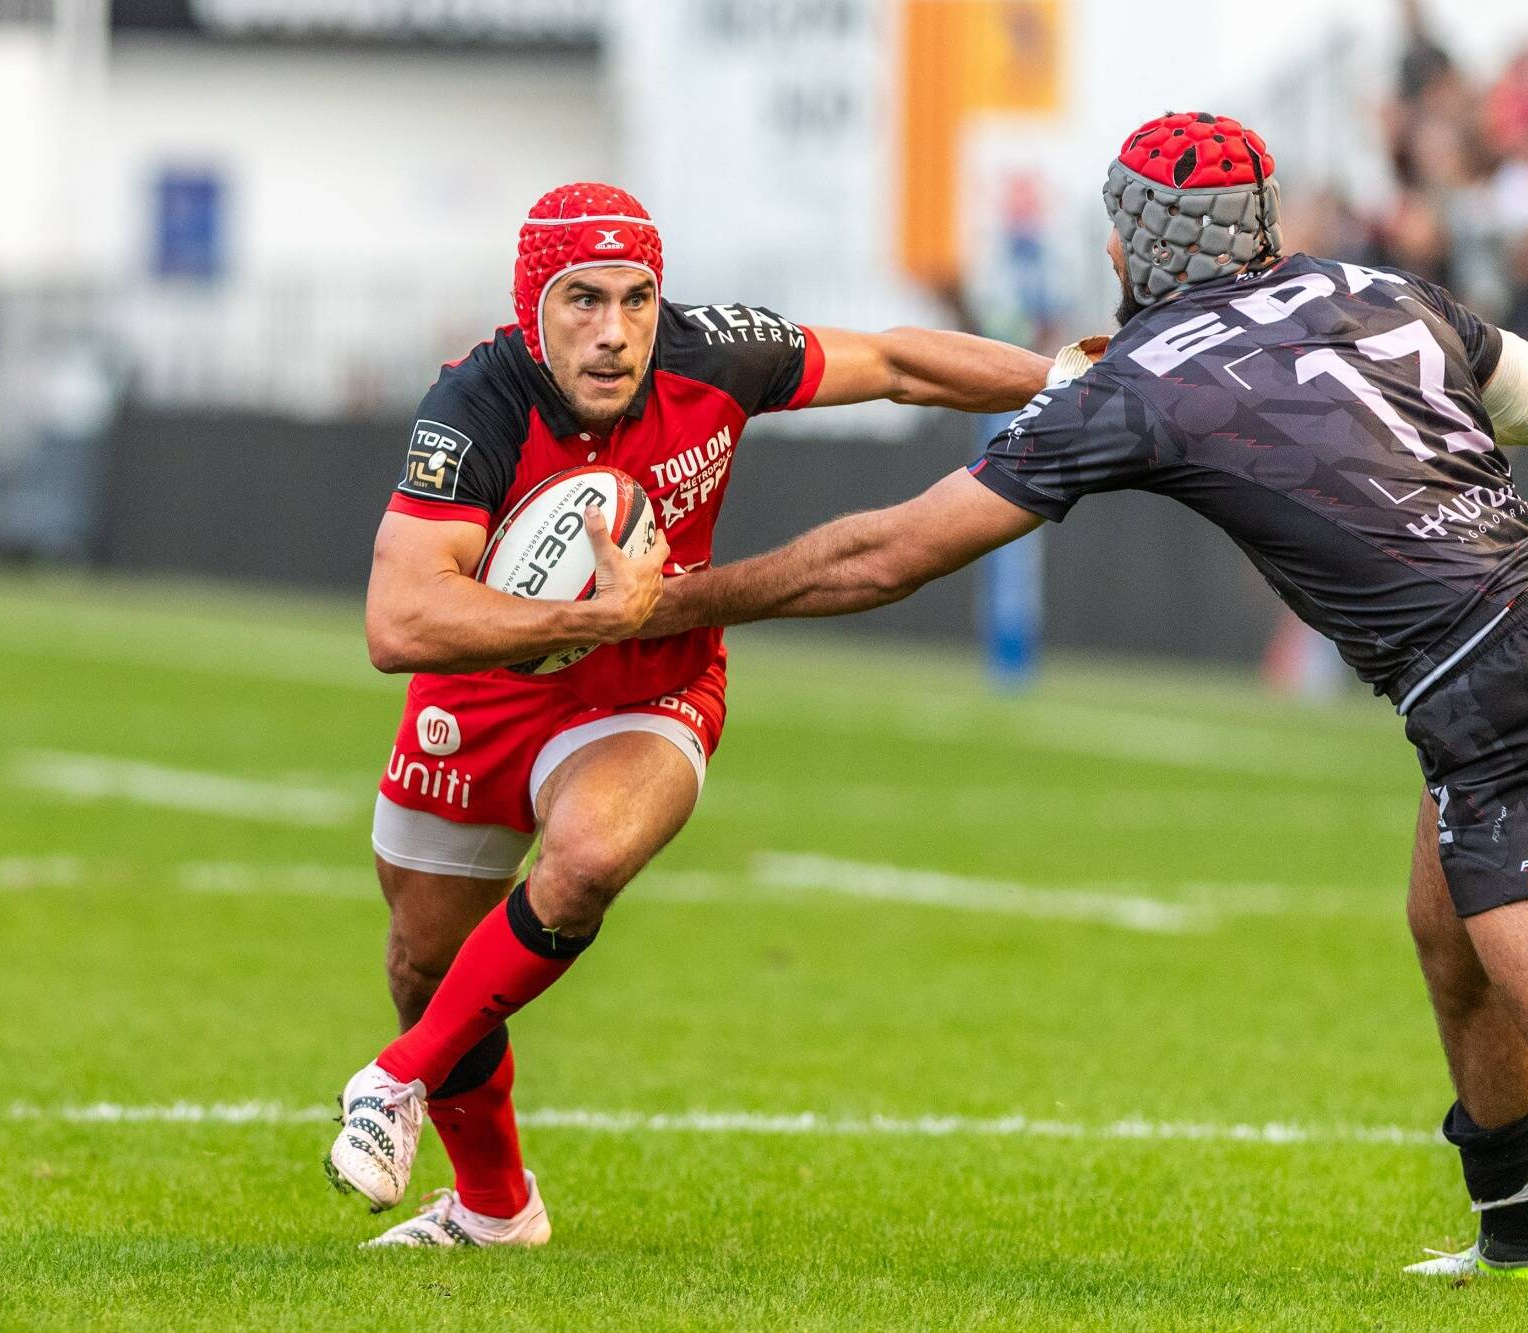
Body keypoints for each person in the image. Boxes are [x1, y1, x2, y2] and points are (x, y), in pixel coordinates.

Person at [643, 113, 1528, 1279]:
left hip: (1502, 680)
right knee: (1450, 939)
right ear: (1264, 223)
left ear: (1125, 245)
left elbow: (886, 554)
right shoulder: (1374, 288)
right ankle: (1516, 1241)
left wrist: (665, 603)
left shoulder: (1138, 383)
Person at [324, 182, 1050, 1247]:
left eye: (635, 299)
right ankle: (493, 1210)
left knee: (585, 858)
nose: (613, 333)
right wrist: (577, 612)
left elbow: (897, 362)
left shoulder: (716, 353)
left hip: (647, 688)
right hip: (483, 692)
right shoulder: (474, 406)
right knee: (420, 965)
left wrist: (1083, 379)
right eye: (581, 301)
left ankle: (396, 1080)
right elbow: (398, 620)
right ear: (533, 307)